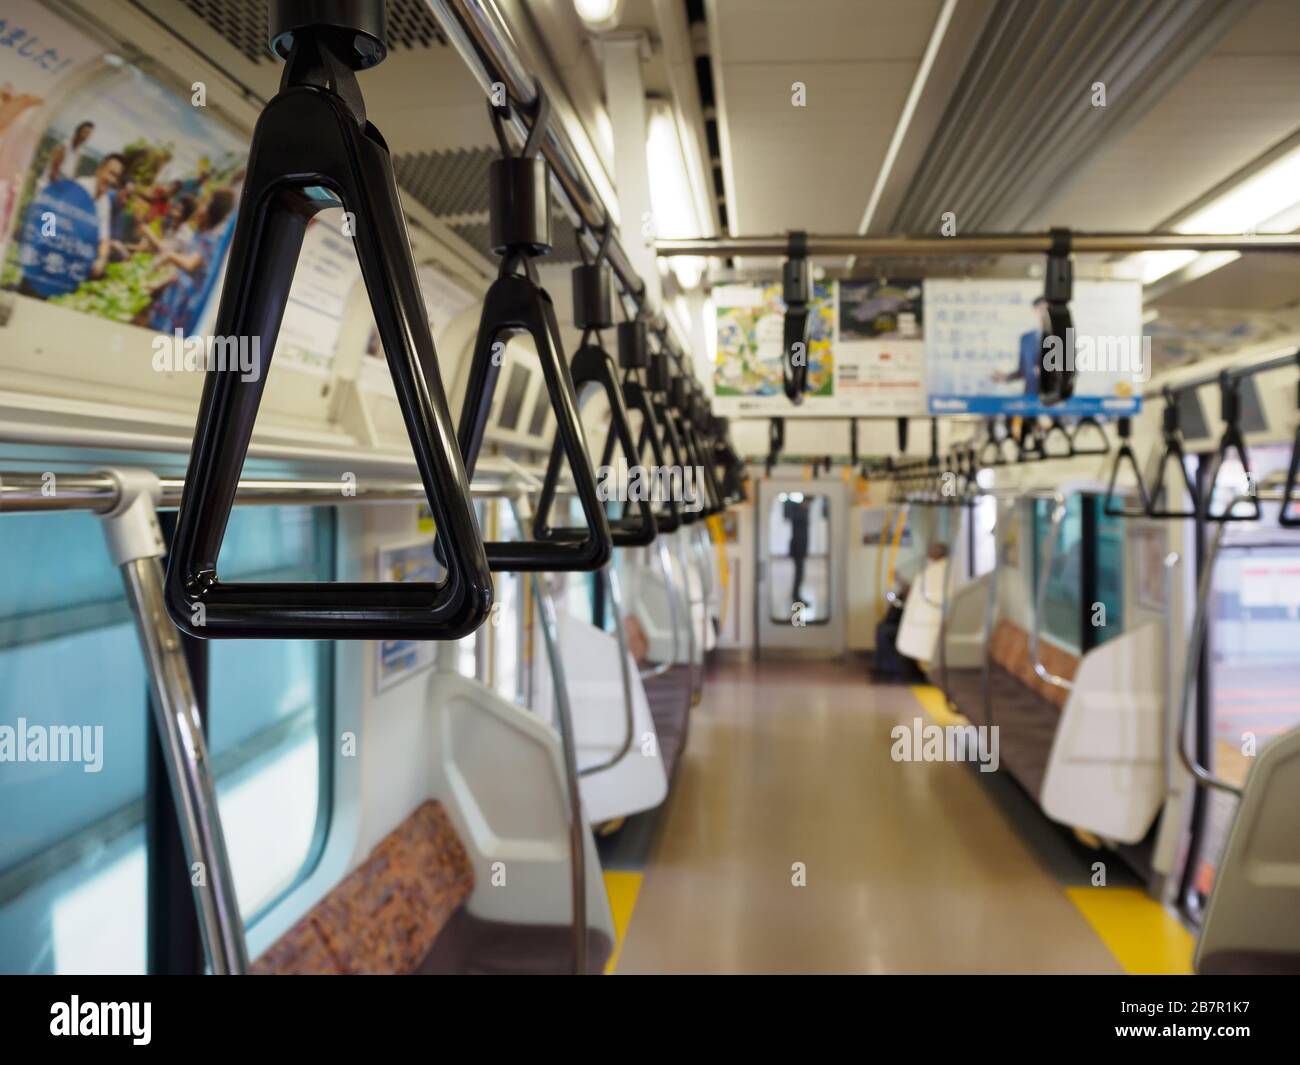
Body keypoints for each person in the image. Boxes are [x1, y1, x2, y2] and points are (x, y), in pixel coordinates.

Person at [872, 542, 949, 683]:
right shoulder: (930, 573)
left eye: (931, 554)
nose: (928, 557)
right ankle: (886, 668)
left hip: (926, 623)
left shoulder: (939, 573)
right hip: (921, 619)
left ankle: (891, 669)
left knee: (884, 631)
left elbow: (920, 594)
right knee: (883, 627)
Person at [75, 153, 124, 280]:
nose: (112, 180)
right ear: (100, 169)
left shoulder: (105, 202)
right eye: (110, 173)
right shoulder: (80, 187)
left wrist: (101, 259)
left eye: (116, 177)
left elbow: (104, 238)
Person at [993, 295, 1049, 396]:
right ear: (1035, 311)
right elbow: (1023, 370)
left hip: (1054, 399)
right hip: (1030, 396)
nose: (1044, 313)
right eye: (1041, 309)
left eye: (1047, 309)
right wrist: (1006, 378)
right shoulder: (1025, 339)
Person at [42, 120, 94, 187]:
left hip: (60, 187)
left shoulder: (79, 153)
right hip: (47, 186)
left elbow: (71, 174)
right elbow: (53, 173)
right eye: (85, 132)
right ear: (78, 131)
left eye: (88, 134)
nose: (85, 137)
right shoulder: (64, 146)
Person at [784, 494, 811, 606]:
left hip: (801, 547)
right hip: (797, 547)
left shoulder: (803, 511)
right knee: (799, 574)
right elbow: (788, 515)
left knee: (800, 573)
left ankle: (796, 595)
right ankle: (796, 596)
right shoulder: (797, 511)